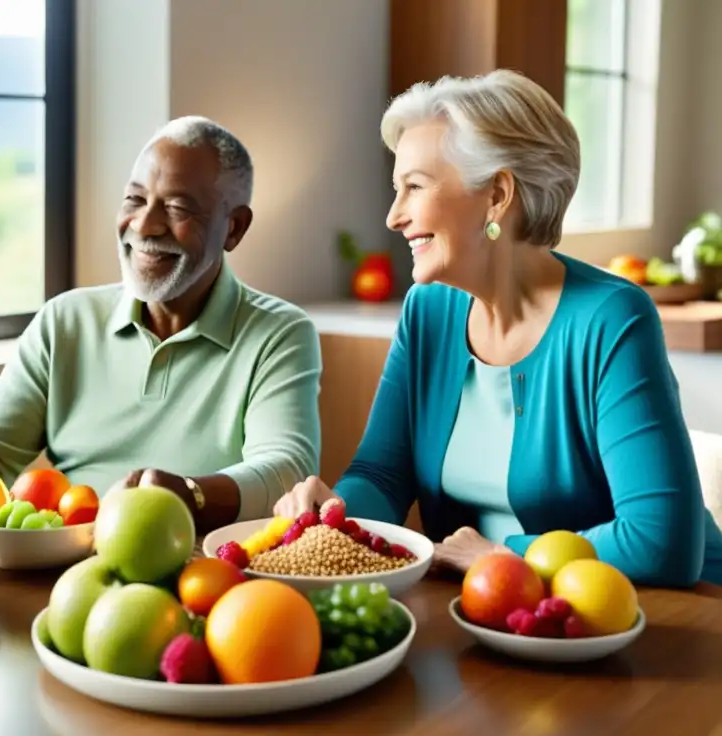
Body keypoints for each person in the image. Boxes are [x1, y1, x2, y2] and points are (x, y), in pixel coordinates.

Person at [273, 70, 722, 588]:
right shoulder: (428, 311)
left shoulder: (612, 319)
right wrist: (335, 512)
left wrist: (504, 556)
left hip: (672, 621)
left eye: (414, 187)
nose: (394, 215)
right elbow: (382, 474)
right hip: (496, 611)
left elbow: (661, 543)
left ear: (497, 195)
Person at [0, 116, 323, 535]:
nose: (145, 225)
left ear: (234, 228)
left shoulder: (279, 334)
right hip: (63, 566)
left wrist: (187, 494)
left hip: (198, 572)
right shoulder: (65, 322)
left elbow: (286, 469)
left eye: (177, 207)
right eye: (134, 199)